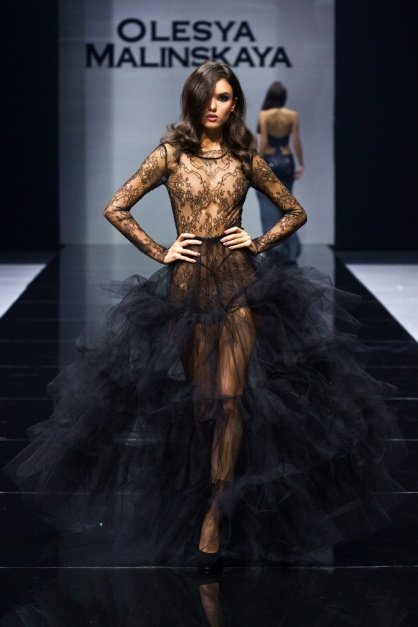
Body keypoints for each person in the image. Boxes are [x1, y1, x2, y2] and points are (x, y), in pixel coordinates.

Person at [4, 62, 403, 573]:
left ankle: (216, 510)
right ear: (193, 100)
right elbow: (117, 207)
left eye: (224, 97)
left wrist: (257, 241)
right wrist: (161, 250)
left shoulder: (245, 158)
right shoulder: (170, 155)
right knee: (202, 405)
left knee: (231, 400)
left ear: (235, 103)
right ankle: (206, 487)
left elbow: (295, 211)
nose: (215, 106)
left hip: (239, 287)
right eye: (207, 96)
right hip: (185, 293)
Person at [256, 81, 304, 265]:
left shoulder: (264, 114)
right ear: (284, 97)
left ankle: (276, 248)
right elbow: (296, 140)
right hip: (286, 160)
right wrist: (301, 163)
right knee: (286, 205)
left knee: (268, 203)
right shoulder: (292, 115)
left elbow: (264, 141)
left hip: (269, 161)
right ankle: (292, 250)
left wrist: (256, 163)